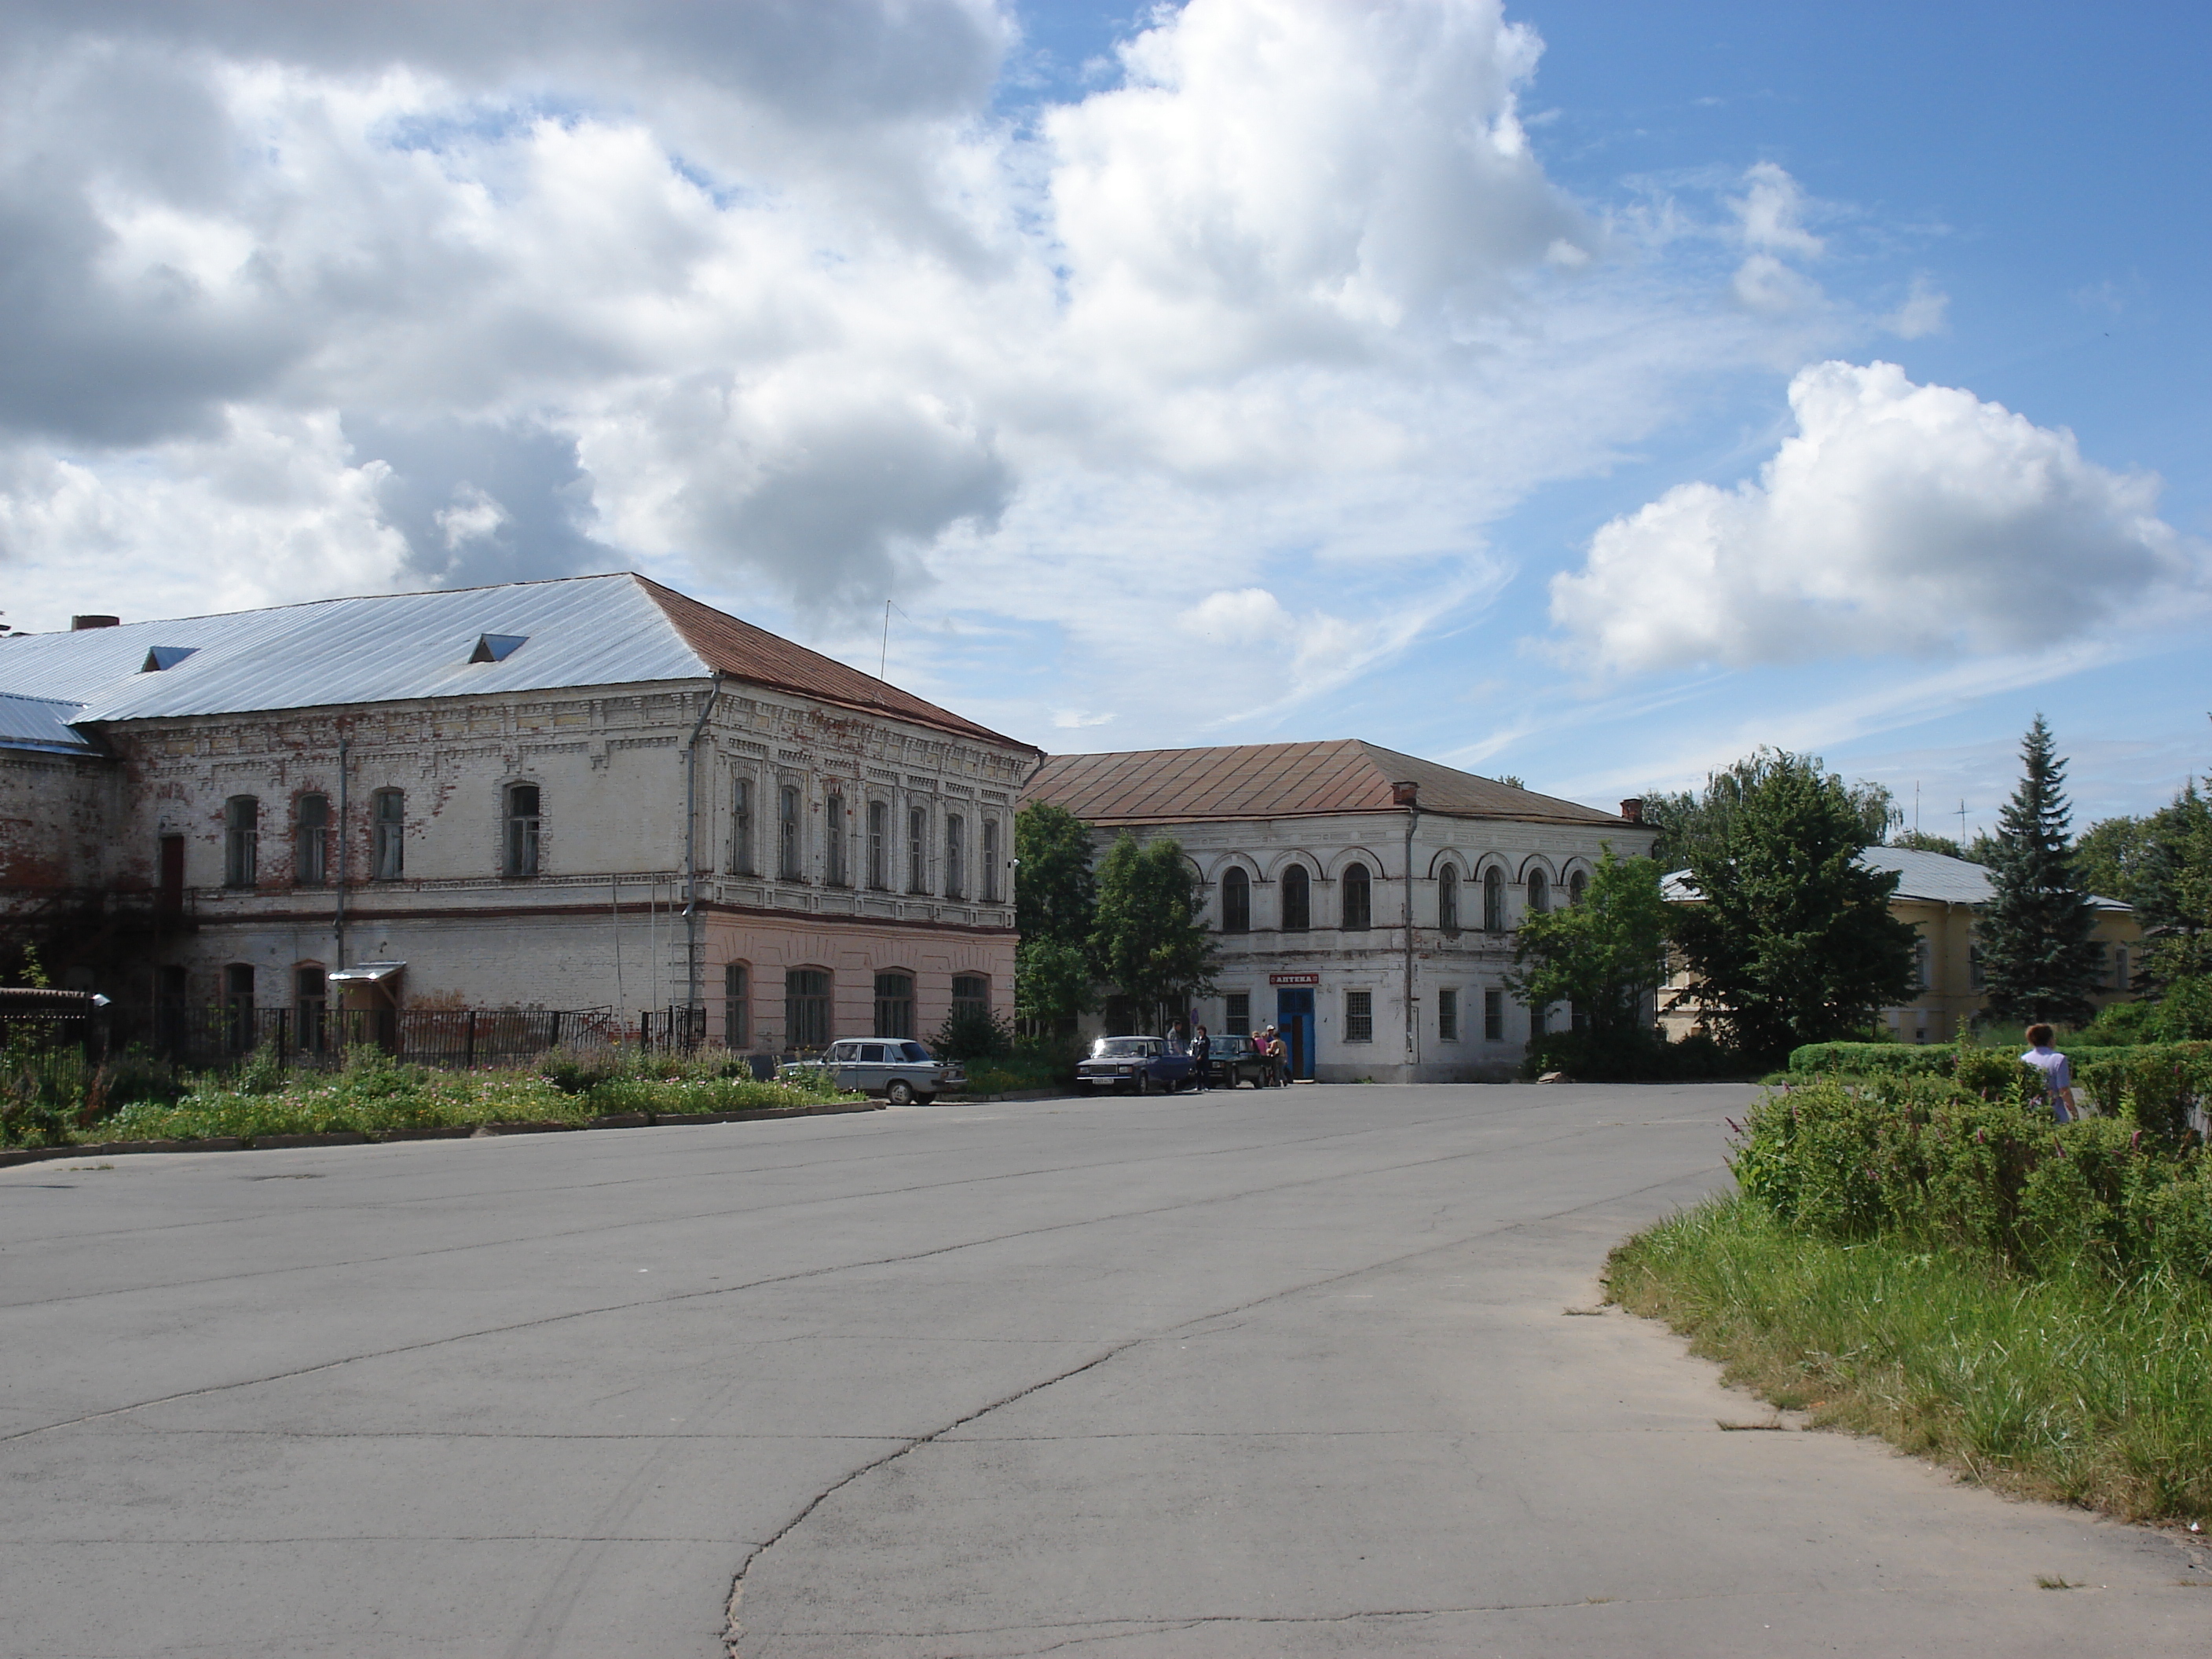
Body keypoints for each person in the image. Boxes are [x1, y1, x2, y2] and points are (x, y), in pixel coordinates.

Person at [2020, 1024, 2078, 1123]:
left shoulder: (2024, 1059)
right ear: (2050, 1039)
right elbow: (2064, 1090)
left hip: (2032, 1113)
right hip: (2055, 1114)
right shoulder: (2059, 1059)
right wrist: (2074, 1112)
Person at [1188, 1023, 1210, 1091]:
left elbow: (1206, 1049)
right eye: (1198, 1031)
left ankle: (1206, 1086)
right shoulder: (1196, 1039)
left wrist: (1201, 1055)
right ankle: (1198, 1086)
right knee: (1197, 1072)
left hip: (1204, 1059)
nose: (1199, 1032)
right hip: (1196, 1058)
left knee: (1205, 1072)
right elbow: (1193, 1047)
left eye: (1200, 1030)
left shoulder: (1206, 1040)